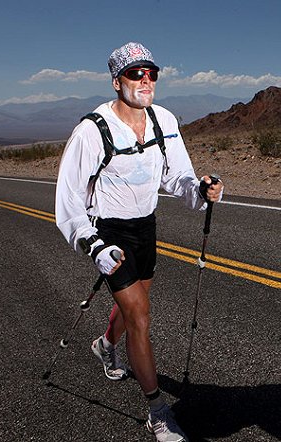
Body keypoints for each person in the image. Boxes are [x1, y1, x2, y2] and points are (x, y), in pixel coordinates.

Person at [55, 41, 223, 442]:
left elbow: (177, 177)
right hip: (108, 233)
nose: (145, 80)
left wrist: (201, 190)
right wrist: (93, 244)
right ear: (117, 81)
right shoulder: (92, 130)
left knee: (132, 310)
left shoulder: (164, 120)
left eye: (151, 73)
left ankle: (104, 344)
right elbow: (68, 200)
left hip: (145, 227)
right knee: (141, 317)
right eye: (135, 73)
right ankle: (158, 410)